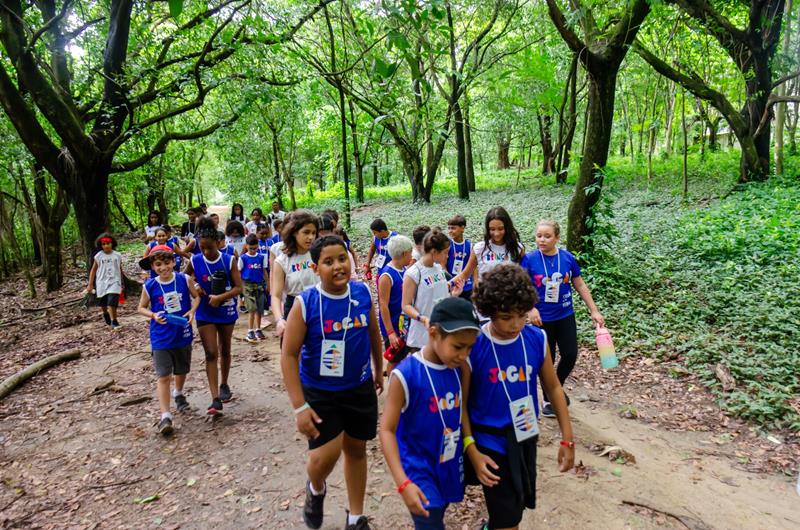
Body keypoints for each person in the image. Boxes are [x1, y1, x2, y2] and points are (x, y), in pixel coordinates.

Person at [280, 236, 383, 530]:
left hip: (358, 386)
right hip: (320, 392)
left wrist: (379, 367)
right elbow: (288, 355)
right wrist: (299, 407)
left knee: (356, 449)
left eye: (342, 259)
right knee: (324, 456)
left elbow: (373, 332)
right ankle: (316, 488)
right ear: (315, 267)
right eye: (328, 261)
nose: (338, 266)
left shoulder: (362, 293)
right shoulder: (305, 303)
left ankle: (355, 517)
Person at [462, 264, 575, 530]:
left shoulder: (536, 338)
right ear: (489, 311)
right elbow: (461, 403)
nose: (515, 324)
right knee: (509, 519)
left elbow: (554, 387)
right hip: (489, 439)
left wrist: (567, 438)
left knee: (517, 502)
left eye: (521, 315)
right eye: (505, 316)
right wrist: (471, 448)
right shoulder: (475, 344)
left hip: (525, 432)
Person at [379, 297, 480, 530]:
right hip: (417, 468)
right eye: (457, 346)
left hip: (449, 461)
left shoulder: (461, 369)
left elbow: (461, 408)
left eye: (469, 347)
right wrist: (403, 483)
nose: (464, 354)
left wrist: (470, 445)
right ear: (434, 333)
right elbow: (386, 430)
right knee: (431, 522)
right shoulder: (406, 375)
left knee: (437, 513)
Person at [522, 220, 605, 417]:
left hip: (565, 314)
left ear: (557, 238)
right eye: (539, 236)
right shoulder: (529, 259)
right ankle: (550, 399)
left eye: (547, 236)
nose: (542, 240)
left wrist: (594, 310)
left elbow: (580, 285)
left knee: (569, 354)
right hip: (541, 319)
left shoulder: (567, 258)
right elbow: (521, 286)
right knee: (546, 361)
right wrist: (530, 308)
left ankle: (554, 389)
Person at [137, 245, 200, 436]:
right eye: (158, 264)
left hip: (182, 333)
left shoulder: (184, 279)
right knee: (163, 375)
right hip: (160, 336)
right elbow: (141, 308)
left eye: (166, 263)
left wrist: (192, 311)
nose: (163, 267)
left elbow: (196, 297)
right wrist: (153, 315)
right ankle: (165, 415)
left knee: (181, 369)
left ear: (173, 262)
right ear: (153, 266)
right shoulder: (150, 286)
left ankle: (178, 393)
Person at [185, 217, 243, 414]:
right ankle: (214, 398)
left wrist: (221, 297)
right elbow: (185, 280)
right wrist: (196, 287)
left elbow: (239, 287)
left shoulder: (229, 260)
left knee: (224, 348)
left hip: (225, 309)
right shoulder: (195, 260)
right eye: (202, 248)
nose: (206, 252)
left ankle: (224, 383)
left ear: (218, 243)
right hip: (205, 311)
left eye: (209, 247)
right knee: (210, 352)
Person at [402, 229, 463, 353]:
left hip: (441, 331)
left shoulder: (439, 269)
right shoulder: (413, 273)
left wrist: (453, 295)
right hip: (421, 337)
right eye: (445, 252)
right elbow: (405, 305)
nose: (447, 256)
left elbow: (439, 297)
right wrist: (423, 319)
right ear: (434, 252)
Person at [271, 210, 319, 340]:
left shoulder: (320, 254)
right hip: (294, 308)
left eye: (314, 233)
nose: (311, 237)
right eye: (306, 232)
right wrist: (280, 320)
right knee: (293, 354)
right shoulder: (282, 261)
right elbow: (275, 295)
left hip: (320, 306)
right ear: (294, 232)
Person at [378, 235, 413, 372]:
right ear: (404, 253)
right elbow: (383, 305)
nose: (412, 255)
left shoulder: (405, 270)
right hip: (392, 325)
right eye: (410, 252)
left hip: (403, 324)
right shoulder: (387, 276)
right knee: (394, 359)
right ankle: (393, 389)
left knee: (402, 356)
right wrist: (390, 332)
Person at [85, 233, 124, 331]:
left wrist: (122, 282)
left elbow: (119, 269)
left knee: (112, 302)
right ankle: (105, 313)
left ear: (112, 243)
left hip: (115, 281)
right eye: (104, 244)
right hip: (102, 282)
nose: (106, 246)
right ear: (100, 245)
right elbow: (93, 270)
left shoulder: (117, 255)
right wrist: (90, 284)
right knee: (103, 303)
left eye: (108, 243)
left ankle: (114, 321)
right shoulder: (98, 256)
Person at [239, 234, 269, 343]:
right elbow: (239, 272)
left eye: (255, 248)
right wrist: (240, 287)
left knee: (260, 309)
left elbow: (264, 271)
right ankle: (250, 330)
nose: (253, 250)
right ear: (246, 246)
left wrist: (268, 283)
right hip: (247, 285)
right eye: (251, 248)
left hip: (260, 285)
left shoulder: (261, 257)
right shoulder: (243, 258)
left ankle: (258, 329)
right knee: (252, 309)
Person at [447, 215, 477, 302]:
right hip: (452, 284)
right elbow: (443, 264)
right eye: (448, 228)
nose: (450, 231)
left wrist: (476, 282)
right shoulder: (448, 245)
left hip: (467, 285)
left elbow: (474, 266)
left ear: (462, 228)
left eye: (453, 228)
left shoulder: (470, 245)